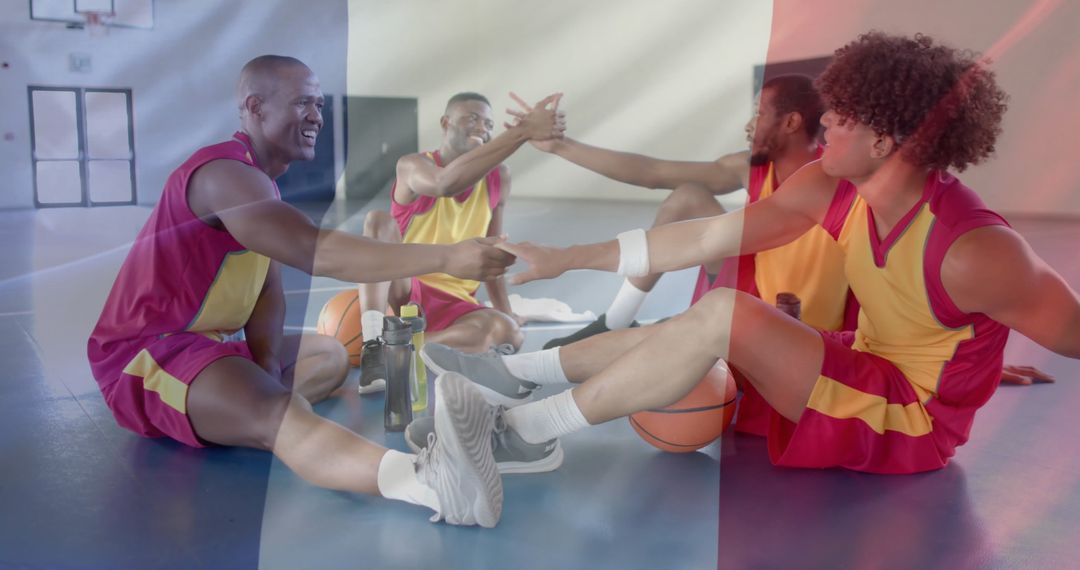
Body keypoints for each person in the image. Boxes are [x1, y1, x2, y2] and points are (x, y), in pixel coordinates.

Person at [421, 32, 1080, 476]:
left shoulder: (974, 250)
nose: (825, 121)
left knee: (722, 313)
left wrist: (984, 364)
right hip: (858, 359)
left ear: (887, 139)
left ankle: (527, 433)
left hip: (907, 417)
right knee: (691, 325)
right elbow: (709, 237)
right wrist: (568, 257)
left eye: (844, 115)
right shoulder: (830, 183)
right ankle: (523, 374)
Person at [86, 56, 560, 527]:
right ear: (255, 107)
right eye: (302, 103)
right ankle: (429, 481)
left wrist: (266, 368)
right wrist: (446, 257)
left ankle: (252, 414)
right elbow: (313, 250)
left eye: (318, 104)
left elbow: (267, 289)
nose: (317, 115)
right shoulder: (223, 174)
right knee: (278, 412)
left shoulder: (259, 182)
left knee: (331, 355)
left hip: (210, 345)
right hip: (149, 355)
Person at [356, 91, 564, 393]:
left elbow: (494, 250)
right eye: (472, 118)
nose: (483, 127)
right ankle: (373, 343)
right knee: (378, 221)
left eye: (490, 124)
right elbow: (444, 184)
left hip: (456, 303)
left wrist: (506, 312)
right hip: (406, 289)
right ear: (445, 122)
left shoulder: (498, 177)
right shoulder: (413, 165)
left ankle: (402, 348)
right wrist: (521, 132)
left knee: (509, 333)